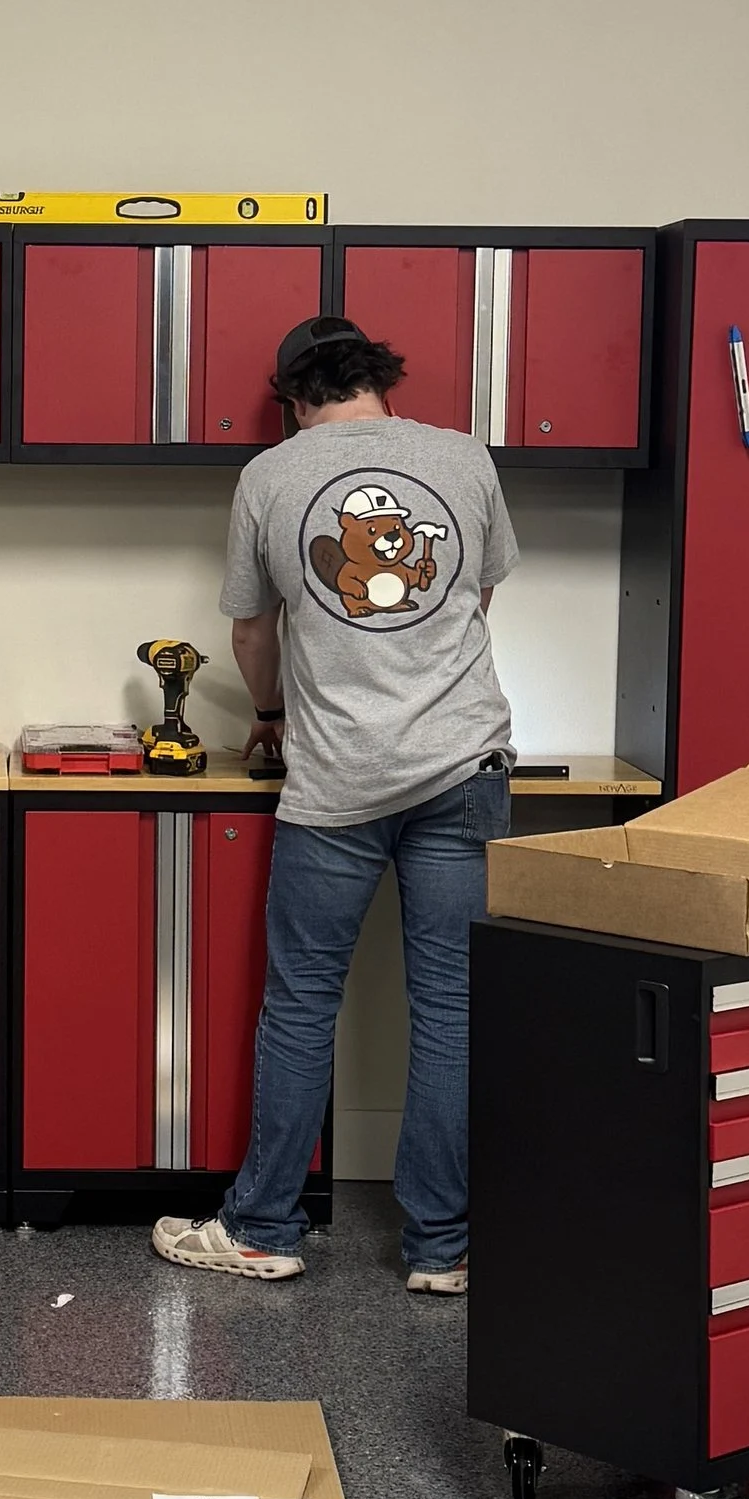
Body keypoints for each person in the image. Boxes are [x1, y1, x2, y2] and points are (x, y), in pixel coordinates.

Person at [153, 312, 517, 1293]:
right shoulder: (464, 458)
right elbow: (473, 601)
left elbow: (251, 632)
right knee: (451, 1007)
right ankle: (442, 1248)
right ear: (380, 382)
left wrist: (270, 713)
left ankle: (262, 1229)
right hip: (464, 768)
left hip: (337, 780)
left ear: (292, 399)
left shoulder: (271, 475)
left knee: (304, 1002)